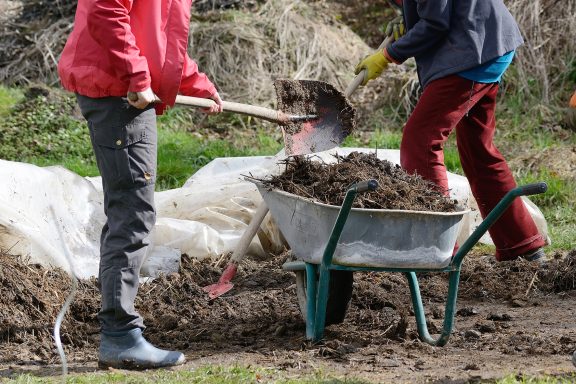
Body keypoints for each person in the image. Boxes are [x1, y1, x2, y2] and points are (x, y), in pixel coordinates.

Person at [58, 0, 222, 369]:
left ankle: (119, 332)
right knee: (131, 214)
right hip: (120, 93)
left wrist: (196, 84)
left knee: (130, 212)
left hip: (125, 88)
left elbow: (157, 35)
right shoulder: (128, 82)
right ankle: (119, 336)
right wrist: (137, 77)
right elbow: (105, 11)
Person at [354, 0, 546, 262]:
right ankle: (522, 245)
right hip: (487, 42)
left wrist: (389, 55)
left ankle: (435, 250)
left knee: (421, 141)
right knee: (478, 151)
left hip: (472, 48)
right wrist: (407, 21)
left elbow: (435, 23)